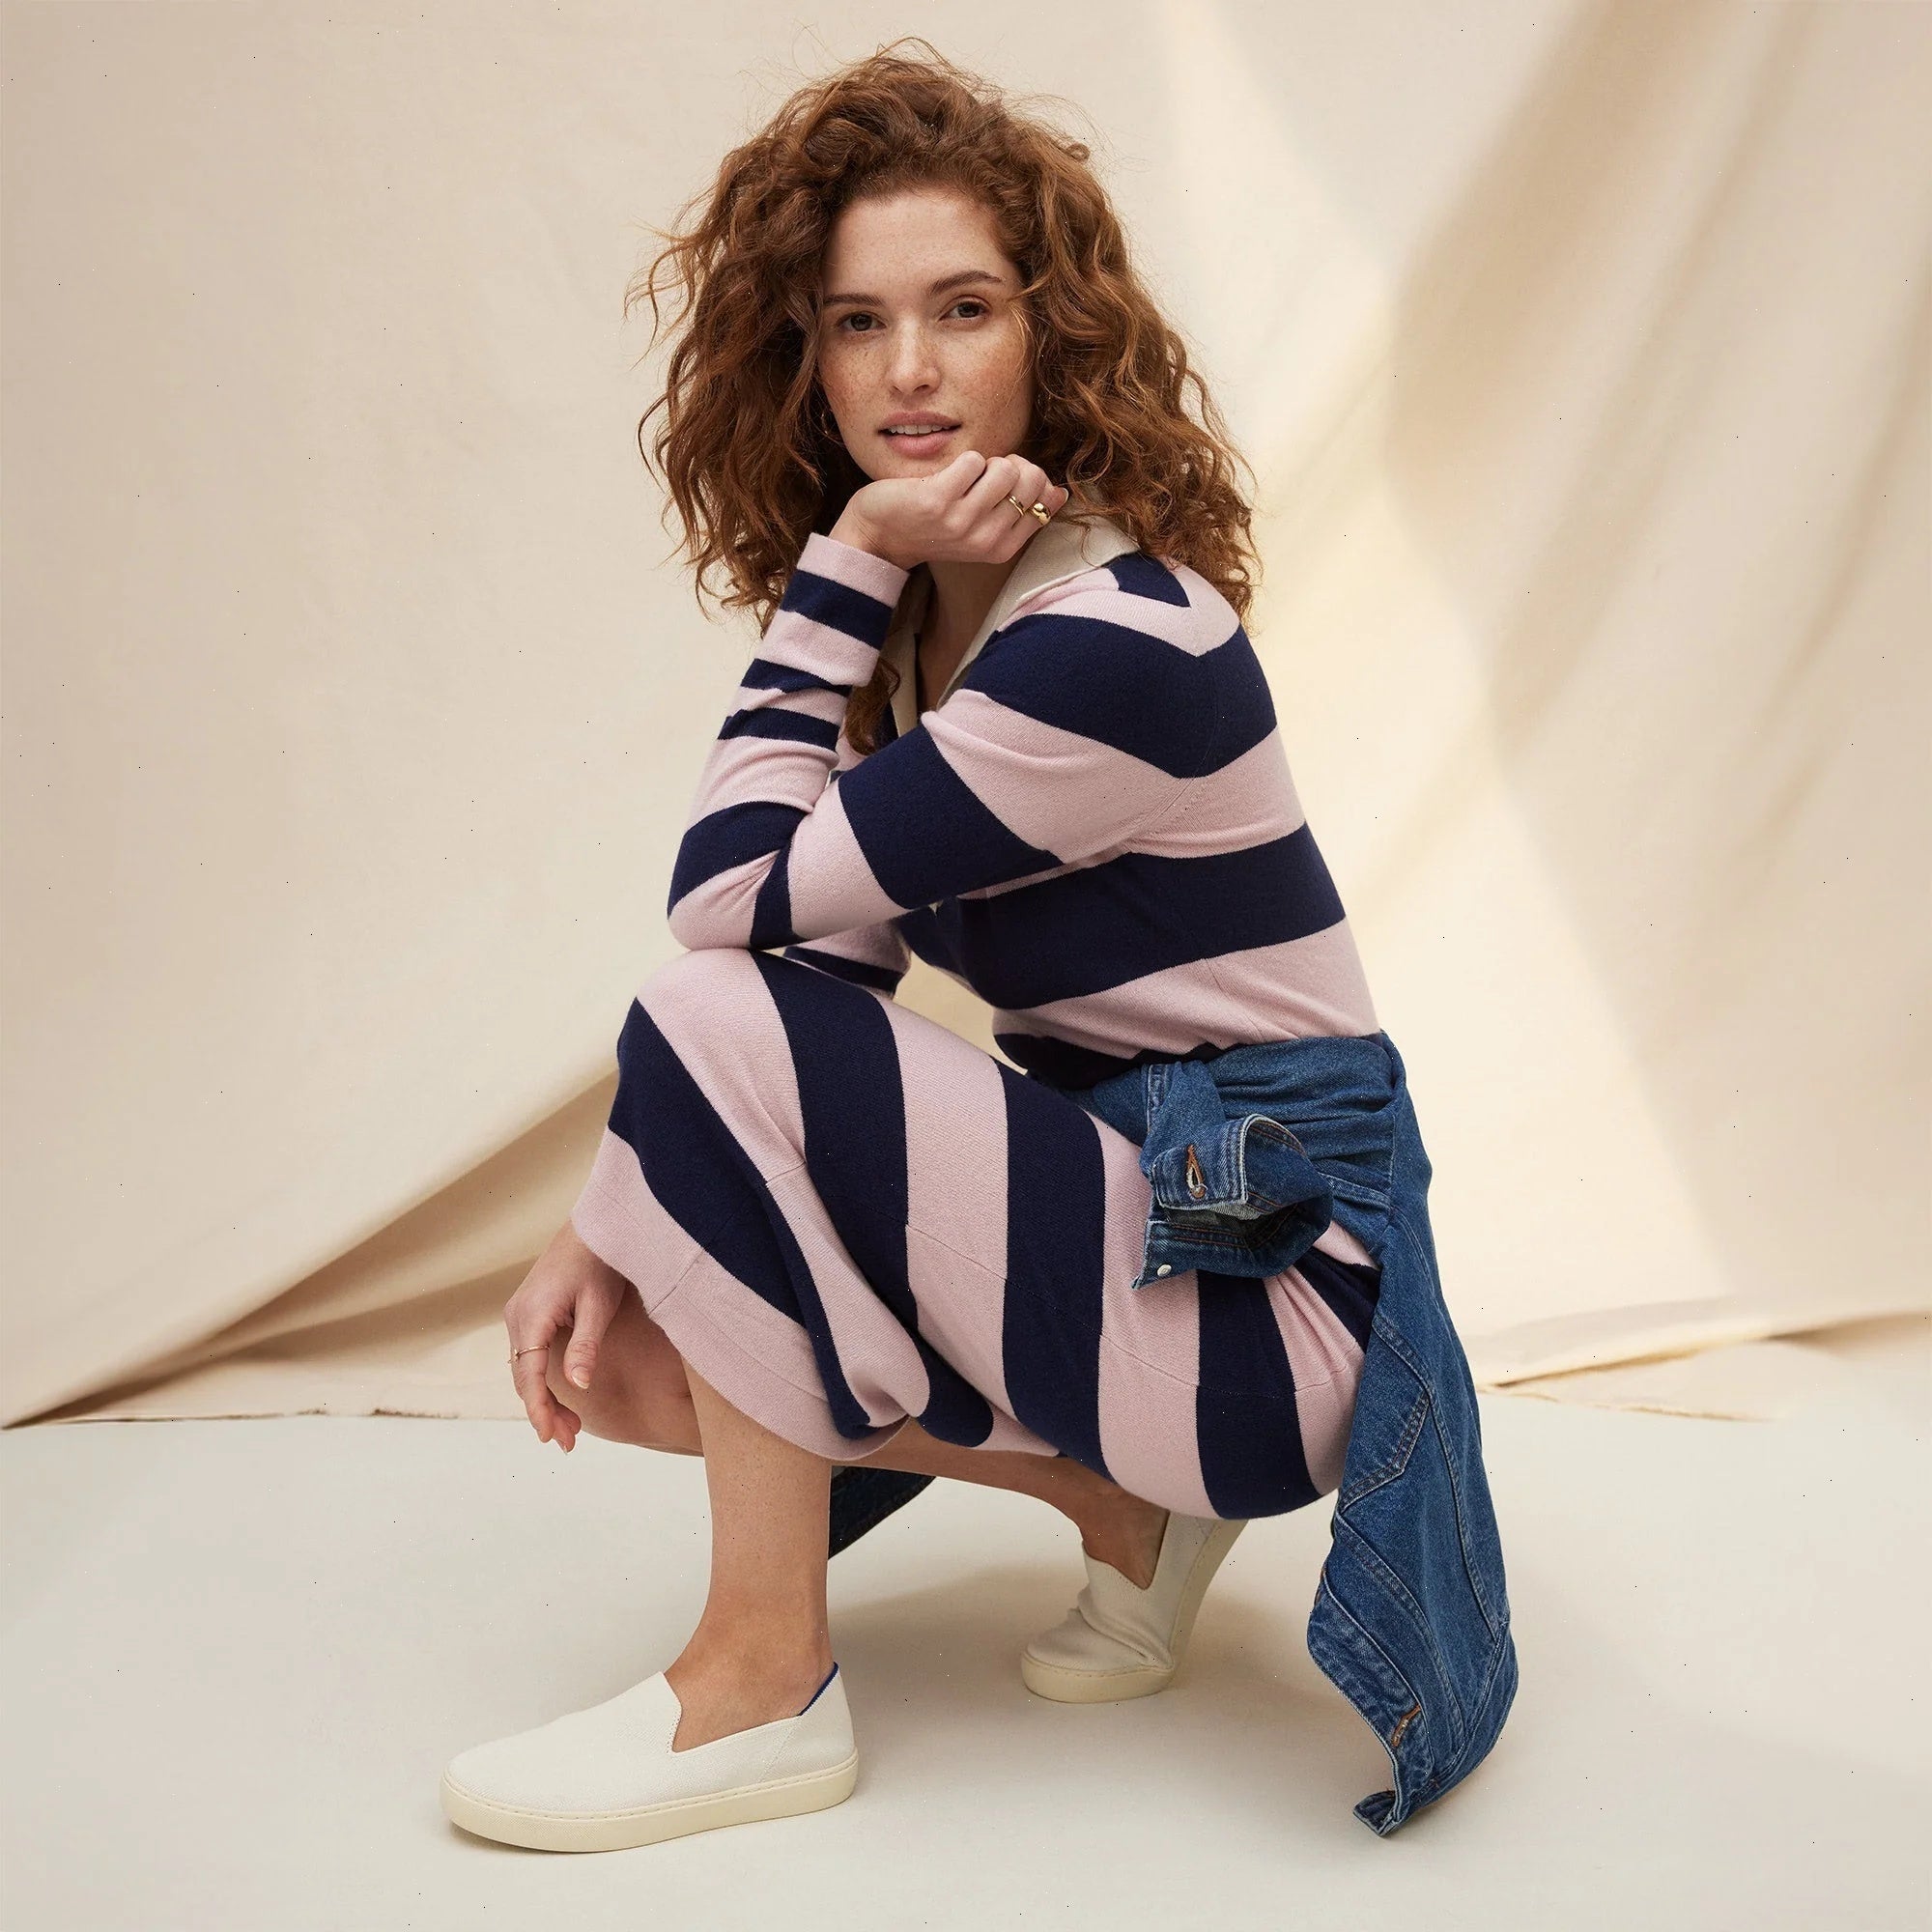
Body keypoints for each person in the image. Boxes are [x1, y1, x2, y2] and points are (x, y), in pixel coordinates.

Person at [440, 42, 1491, 1855]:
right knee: (625, 1349)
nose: (909, 370)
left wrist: (845, 557)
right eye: (857, 324)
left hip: (1275, 1279)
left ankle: (759, 1686)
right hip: (1142, 1231)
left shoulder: (1116, 642)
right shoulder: (950, 650)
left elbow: (720, 916)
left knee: (700, 1007)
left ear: (1051, 337)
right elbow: (806, 983)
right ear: (804, 359)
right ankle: (1121, 1512)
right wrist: (602, 1221)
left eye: (964, 309)